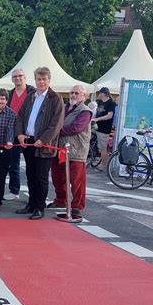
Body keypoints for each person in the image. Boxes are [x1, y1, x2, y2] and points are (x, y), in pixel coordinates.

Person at [15, 67, 64, 220]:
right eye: (38, 79)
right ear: (35, 80)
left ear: (49, 80)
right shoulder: (30, 96)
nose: (41, 82)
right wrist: (20, 134)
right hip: (29, 141)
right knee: (30, 175)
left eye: (44, 79)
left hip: (44, 145)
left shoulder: (55, 98)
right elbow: (20, 117)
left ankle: (39, 207)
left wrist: (43, 139)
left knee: (41, 177)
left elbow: (56, 124)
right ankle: (31, 203)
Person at [48, 85, 92, 217]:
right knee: (57, 177)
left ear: (84, 96)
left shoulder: (85, 111)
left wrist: (55, 131)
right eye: (72, 92)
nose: (73, 95)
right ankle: (61, 199)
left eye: (76, 93)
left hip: (76, 150)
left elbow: (76, 128)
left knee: (77, 181)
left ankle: (77, 206)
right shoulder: (65, 107)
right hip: (61, 148)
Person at [5, 69, 36, 201]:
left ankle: (34, 194)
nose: (18, 78)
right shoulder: (10, 93)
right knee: (13, 164)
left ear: (25, 77)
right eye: (15, 76)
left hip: (29, 132)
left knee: (32, 166)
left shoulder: (33, 92)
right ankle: (14, 190)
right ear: (12, 79)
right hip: (13, 131)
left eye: (20, 76)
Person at [93, 87, 116, 172]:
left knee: (103, 148)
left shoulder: (111, 103)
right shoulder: (100, 102)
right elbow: (97, 113)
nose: (99, 95)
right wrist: (92, 118)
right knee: (100, 147)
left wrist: (98, 119)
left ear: (103, 94)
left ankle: (104, 166)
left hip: (104, 128)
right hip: (97, 127)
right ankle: (100, 162)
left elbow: (109, 115)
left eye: (100, 93)